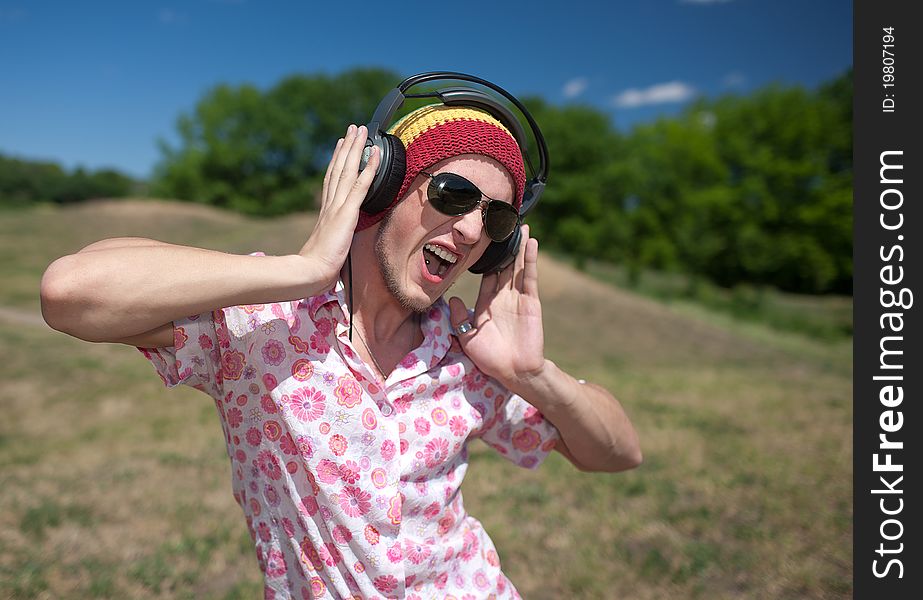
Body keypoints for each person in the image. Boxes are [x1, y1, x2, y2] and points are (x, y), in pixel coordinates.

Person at [40, 103, 641, 599]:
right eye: (454, 194)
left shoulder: (466, 357)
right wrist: (301, 269)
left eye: (497, 217)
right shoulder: (262, 324)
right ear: (381, 189)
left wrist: (535, 375)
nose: (469, 231)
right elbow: (69, 293)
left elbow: (617, 454)